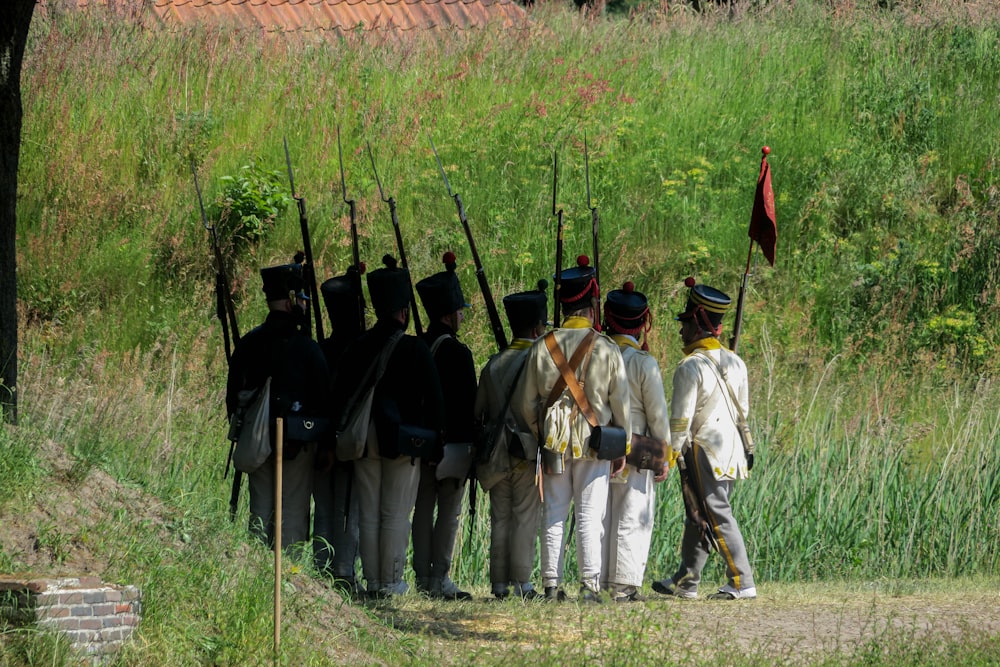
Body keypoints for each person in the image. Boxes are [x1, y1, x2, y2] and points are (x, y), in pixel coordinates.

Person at [512, 256, 631, 603]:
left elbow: (525, 403)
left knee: (553, 514)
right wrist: (620, 443)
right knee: (590, 516)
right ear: (592, 305)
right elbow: (620, 403)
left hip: (553, 441)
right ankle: (590, 587)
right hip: (596, 442)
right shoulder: (607, 347)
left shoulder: (541, 346)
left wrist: (543, 431)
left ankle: (551, 585)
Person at [330, 255, 446, 598]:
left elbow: (341, 393)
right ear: (404, 310)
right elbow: (435, 400)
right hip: (403, 439)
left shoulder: (359, 346)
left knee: (368, 512)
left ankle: (373, 581)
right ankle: (391, 581)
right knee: (395, 513)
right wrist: (435, 443)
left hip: (365, 436)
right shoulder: (413, 347)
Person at [653, 278, 757, 601]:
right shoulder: (735, 362)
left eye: (686, 323)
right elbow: (745, 410)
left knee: (715, 512)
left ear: (698, 323)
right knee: (697, 513)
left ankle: (742, 580)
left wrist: (670, 455)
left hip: (703, 449)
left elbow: (680, 420)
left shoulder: (690, 366)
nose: (681, 331)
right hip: (733, 451)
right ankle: (687, 581)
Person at [226, 263, 331, 554]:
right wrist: (323, 444)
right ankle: (289, 580)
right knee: (293, 516)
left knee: (259, 513)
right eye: (300, 299)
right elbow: (324, 399)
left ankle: (257, 576)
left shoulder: (248, 343)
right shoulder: (307, 348)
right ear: (289, 301)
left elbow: (232, 399)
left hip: (255, 439)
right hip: (297, 444)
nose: (304, 305)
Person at [473, 281, 548, 601]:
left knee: (500, 518)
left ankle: (499, 584)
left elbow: (479, 411)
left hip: (497, 453)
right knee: (525, 518)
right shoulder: (539, 360)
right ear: (536, 327)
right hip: (527, 450)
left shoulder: (493, 364)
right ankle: (522, 582)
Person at [599, 281, 672, 603]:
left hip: (600, 444)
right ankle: (625, 586)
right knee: (633, 515)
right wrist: (664, 452)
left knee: (603, 516)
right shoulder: (644, 363)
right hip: (638, 447)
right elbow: (657, 415)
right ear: (643, 322)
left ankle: (601, 581)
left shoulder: (597, 353)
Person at [412, 252, 477, 601]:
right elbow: (468, 404)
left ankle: (422, 576)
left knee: (421, 510)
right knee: (448, 515)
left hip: (420, 445)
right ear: (450, 314)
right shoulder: (459, 353)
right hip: (451, 445)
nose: (463, 315)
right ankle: (440, 578)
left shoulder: (418, 346)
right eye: (460, 310)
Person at [312, 267, 365, 591]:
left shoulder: (324, 348)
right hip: (341, 438)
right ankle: (342, 570)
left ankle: (323, 567)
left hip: (324, 438)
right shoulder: (356, 350)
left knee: (328, 509)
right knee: (347, 509)